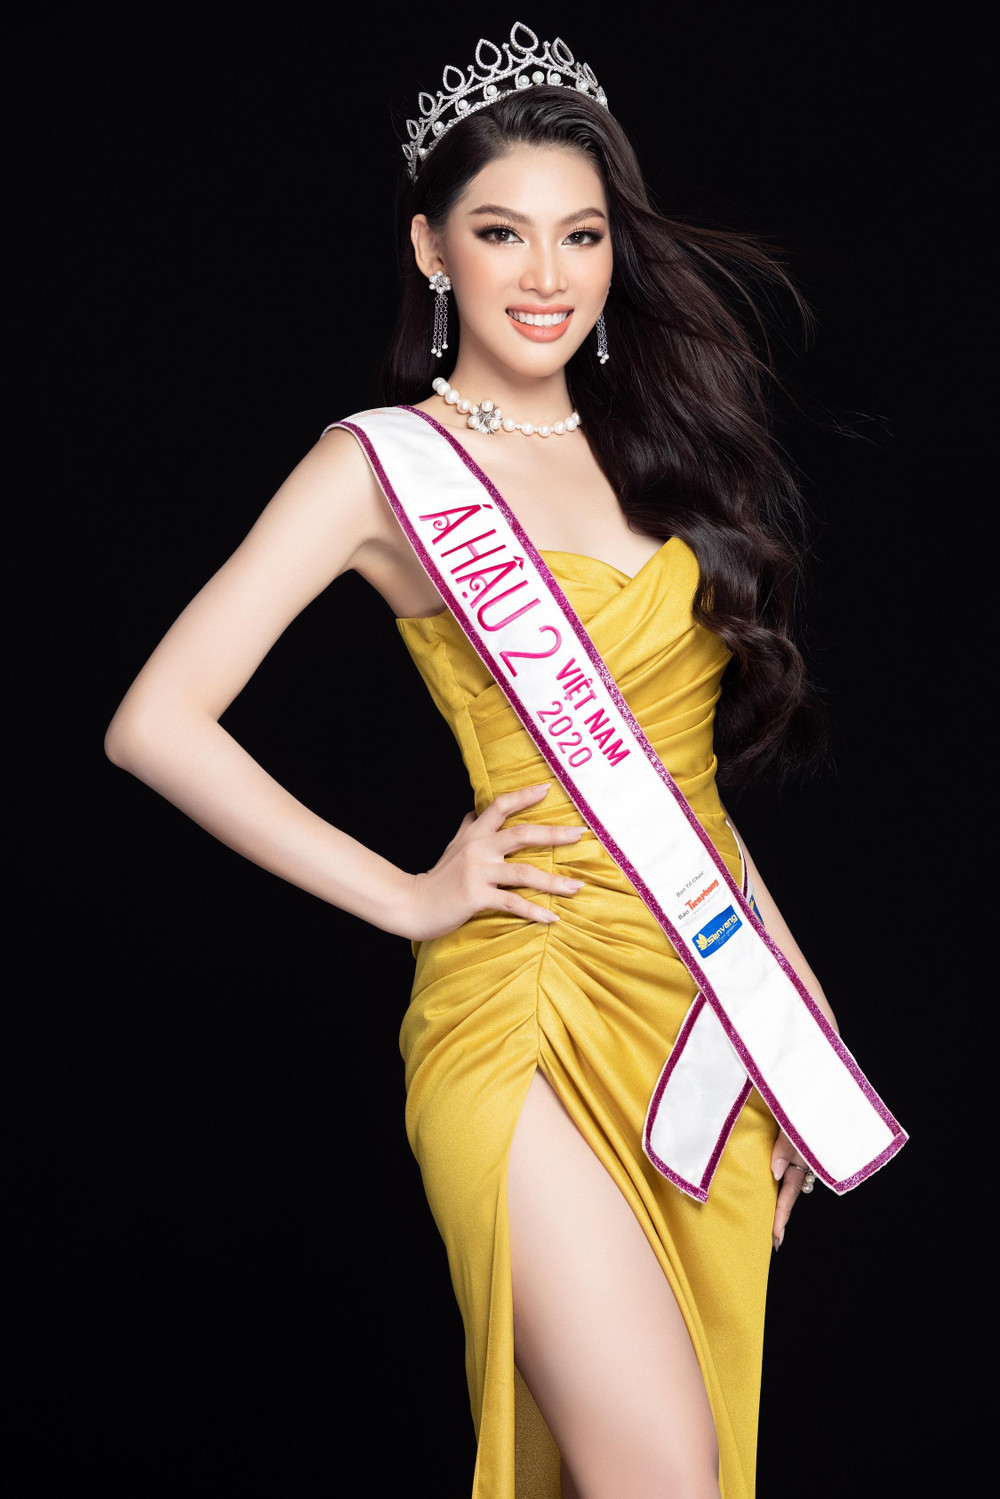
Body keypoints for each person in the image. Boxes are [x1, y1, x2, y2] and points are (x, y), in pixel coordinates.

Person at [105, 25, 891, 1499]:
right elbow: (155, 722)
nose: (546, 273)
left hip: (692, 1006)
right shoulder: (376, 467)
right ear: (431, 249)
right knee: (657, 1472)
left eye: (580, 234)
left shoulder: (659, 448)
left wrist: (797, 1018)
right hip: (520, 1003)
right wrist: (410, 896)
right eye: (501, 231)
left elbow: (677, 792)